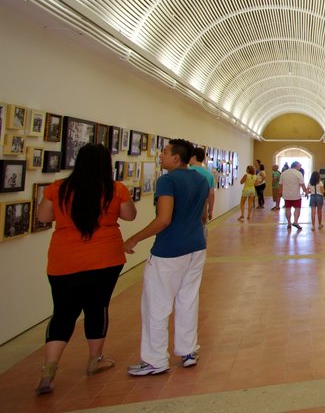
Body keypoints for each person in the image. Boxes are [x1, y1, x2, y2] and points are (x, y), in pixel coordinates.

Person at [33, 144, 137, 395]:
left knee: (62, 312)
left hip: (64, 259)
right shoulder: (115, 189)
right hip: (104, 258)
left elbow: (44, 217)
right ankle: (95, 359)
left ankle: (49, 369)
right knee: (97, 307)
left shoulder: (58, 188)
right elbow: (130, 215)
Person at [123, 138, 208, 376]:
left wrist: (134, 238)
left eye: (165, 152)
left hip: (169, 250)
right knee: (187, 299)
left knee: (156, 304)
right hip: (196, 246)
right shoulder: (201, 180)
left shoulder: (167, 181)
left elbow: (164, 219)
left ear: (176, 158)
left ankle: (155, 359)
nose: (161, 155)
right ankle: (188, 350)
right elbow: (202, 215)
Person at [188, 147, 216, 227]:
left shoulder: (186, 171)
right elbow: (211, 195)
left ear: (194, 157)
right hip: (202, 210)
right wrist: (210, 211)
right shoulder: (209, 175)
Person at [280, 161, 307, 231]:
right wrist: (305, 191)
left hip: (286, 195)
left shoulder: (284, 173)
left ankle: (289, 223)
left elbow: (281, 184)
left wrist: (280, 193)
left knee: (287, 209)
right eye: (299, 166)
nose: (300, 167)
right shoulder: (298, 173)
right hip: (296, 195)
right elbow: (302, 184)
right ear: (296, 166)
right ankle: (295, 221)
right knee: (297, 208)